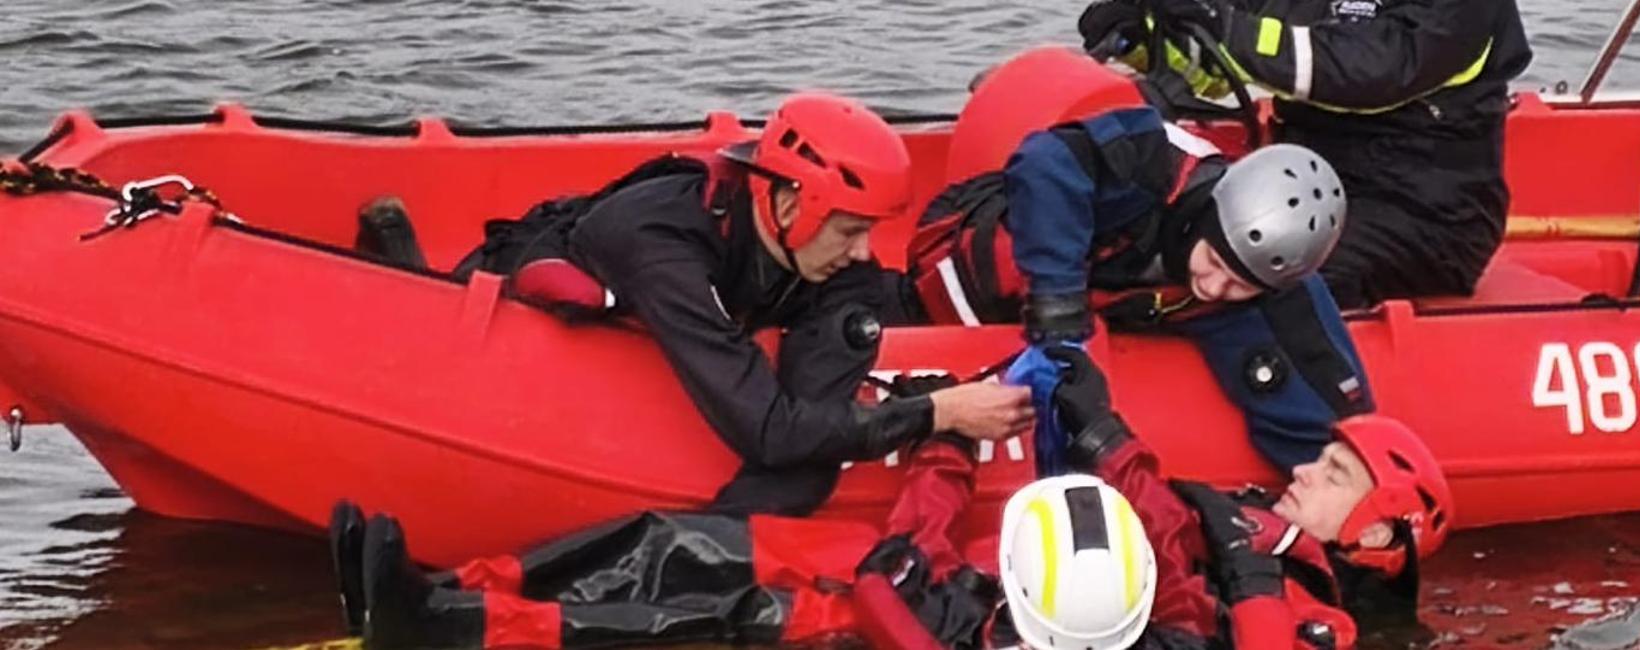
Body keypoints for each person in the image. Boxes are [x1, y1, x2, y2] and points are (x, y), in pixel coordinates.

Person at [328, 355, 1452, 650]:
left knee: (707, 592)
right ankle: (450, 589)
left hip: (975, 609)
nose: (1312, 470)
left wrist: (1104, 450)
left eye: (1339, 474)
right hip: (993, 587)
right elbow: (1167, 520)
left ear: (1388, 540)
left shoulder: (1312, 609)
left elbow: (1198, 593)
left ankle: (451, 627)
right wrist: (1107, 434)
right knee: (692, 540)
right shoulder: (1258, 527)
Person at [439, 93, 1033, 517]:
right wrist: (939, 412)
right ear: (786, 200)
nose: (863, 252)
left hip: (745, 296)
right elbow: (771, 433)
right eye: (849, 229)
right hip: (541, 269)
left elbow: (803, 450)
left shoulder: (833, 264)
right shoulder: (661, 246)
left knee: (804, 471)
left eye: (869, 231)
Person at [1078, 0, 1533, 309]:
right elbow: (1226, 69)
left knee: (1258, 281)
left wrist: (1234, 30)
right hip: (1292, 187)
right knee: (1142, 232)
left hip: (1424, 212)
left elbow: (1375, 71)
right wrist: (1149, 42)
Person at [895, 105, 1373, 470]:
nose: (1213, 285)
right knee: (1012, 250)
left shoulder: (1274, 279)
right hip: (992, 253)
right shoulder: (1148, 159)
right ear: (1207, 218)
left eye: (1239, 285)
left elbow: (1335, 399)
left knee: (1276, 363)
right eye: (1214, 262)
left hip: (1129, 300)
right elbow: (1046, 161)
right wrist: (1058, 304)